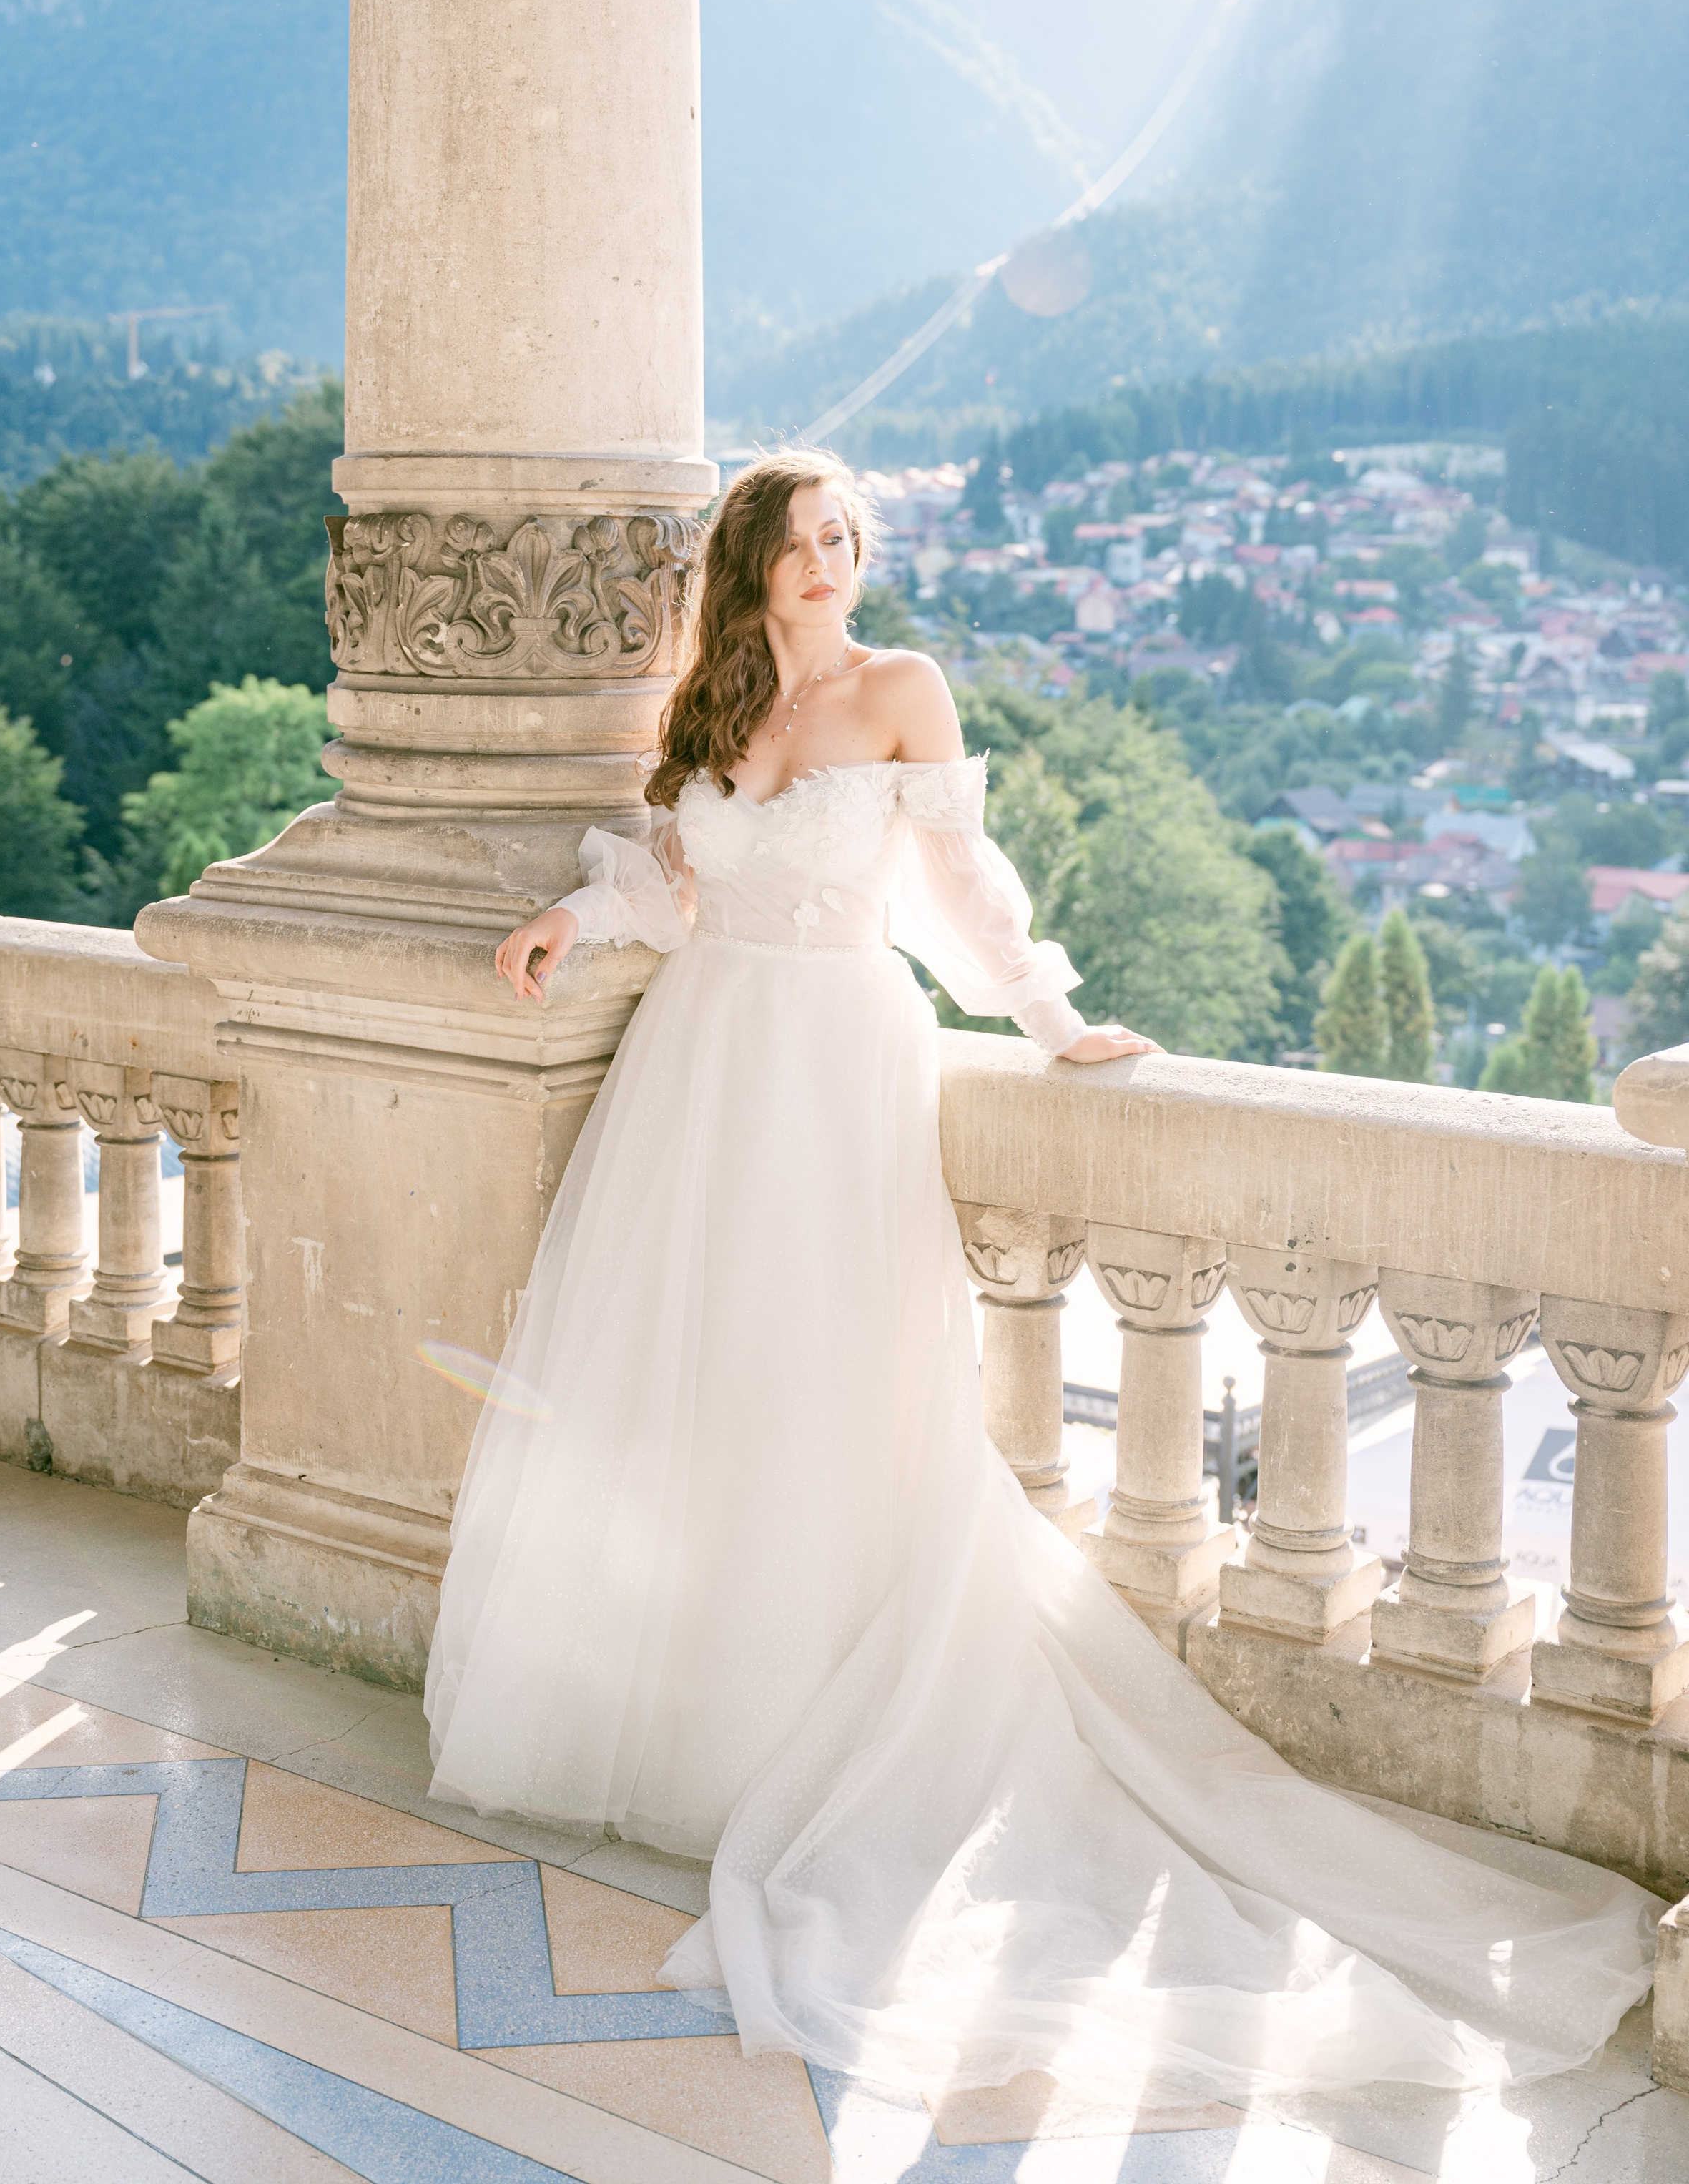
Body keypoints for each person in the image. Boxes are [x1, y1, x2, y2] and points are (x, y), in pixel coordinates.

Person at [425, 448, 1655, 2109]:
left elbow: (958, 885)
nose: (829, 564)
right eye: (799, 543)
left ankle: (804, 1726)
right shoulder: (711, 698)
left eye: (844, 538)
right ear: (748, 564)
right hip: (699, 1050)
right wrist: (574, 918)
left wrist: (1052, 1018)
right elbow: (675, 874)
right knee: (691, 1383)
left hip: (834, 1058)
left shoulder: (900, 689)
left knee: (824, 1382)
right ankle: (674, 1723)